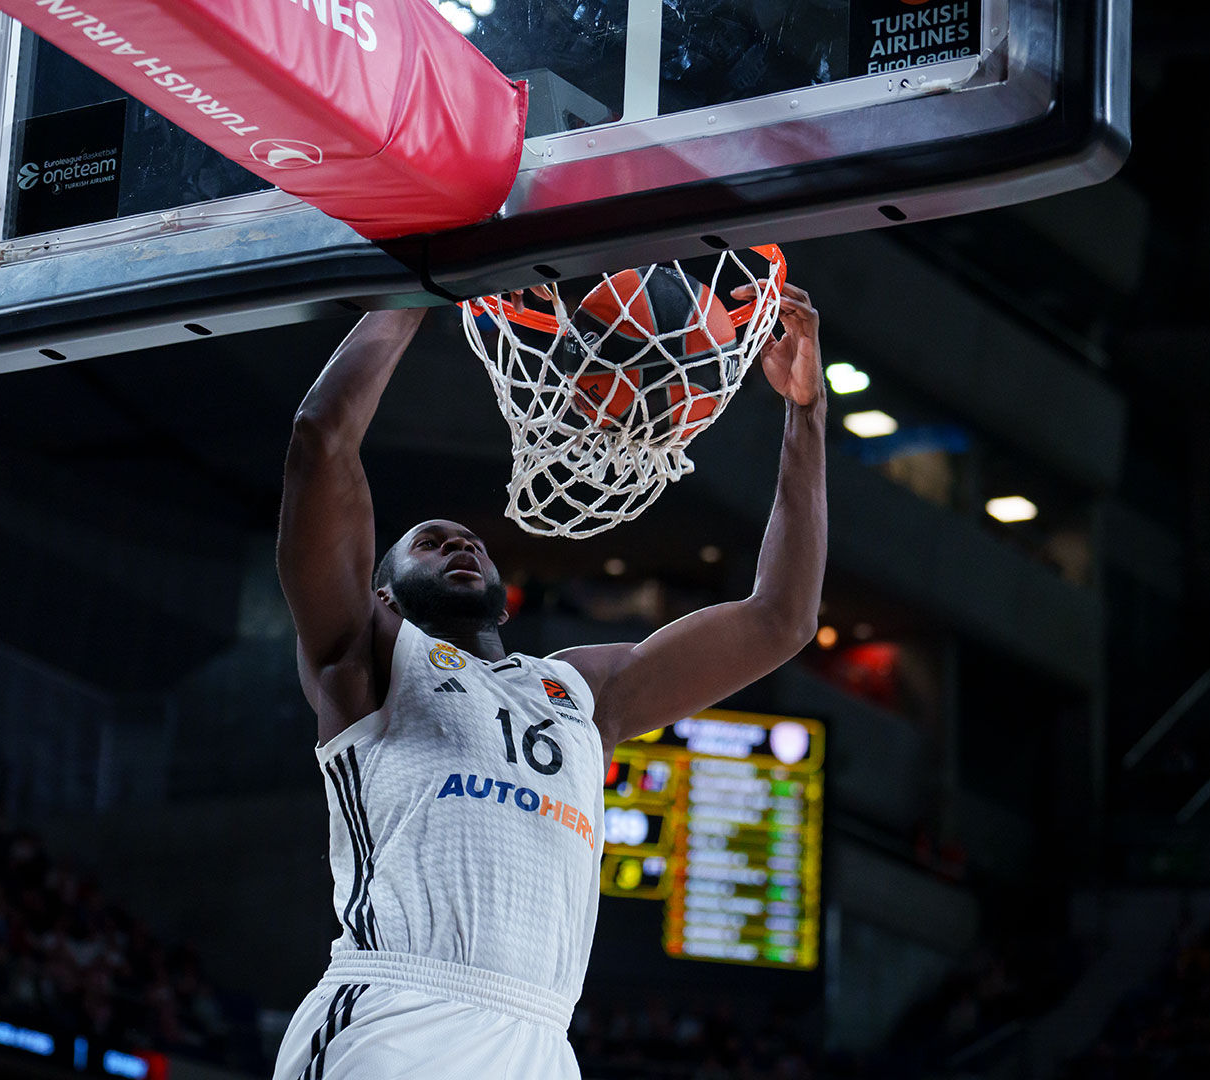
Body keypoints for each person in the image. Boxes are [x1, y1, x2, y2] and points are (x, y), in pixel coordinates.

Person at [271, 279, 827, 1079]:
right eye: (431, 541)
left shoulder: (576, 692)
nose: (461, 546)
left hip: (540, 1040)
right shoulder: (366, 655)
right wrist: (425, 282)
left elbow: (781, 618)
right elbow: (320, 440)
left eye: (473, 542)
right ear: (382, 592)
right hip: (400, 1015)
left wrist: (805, 415)